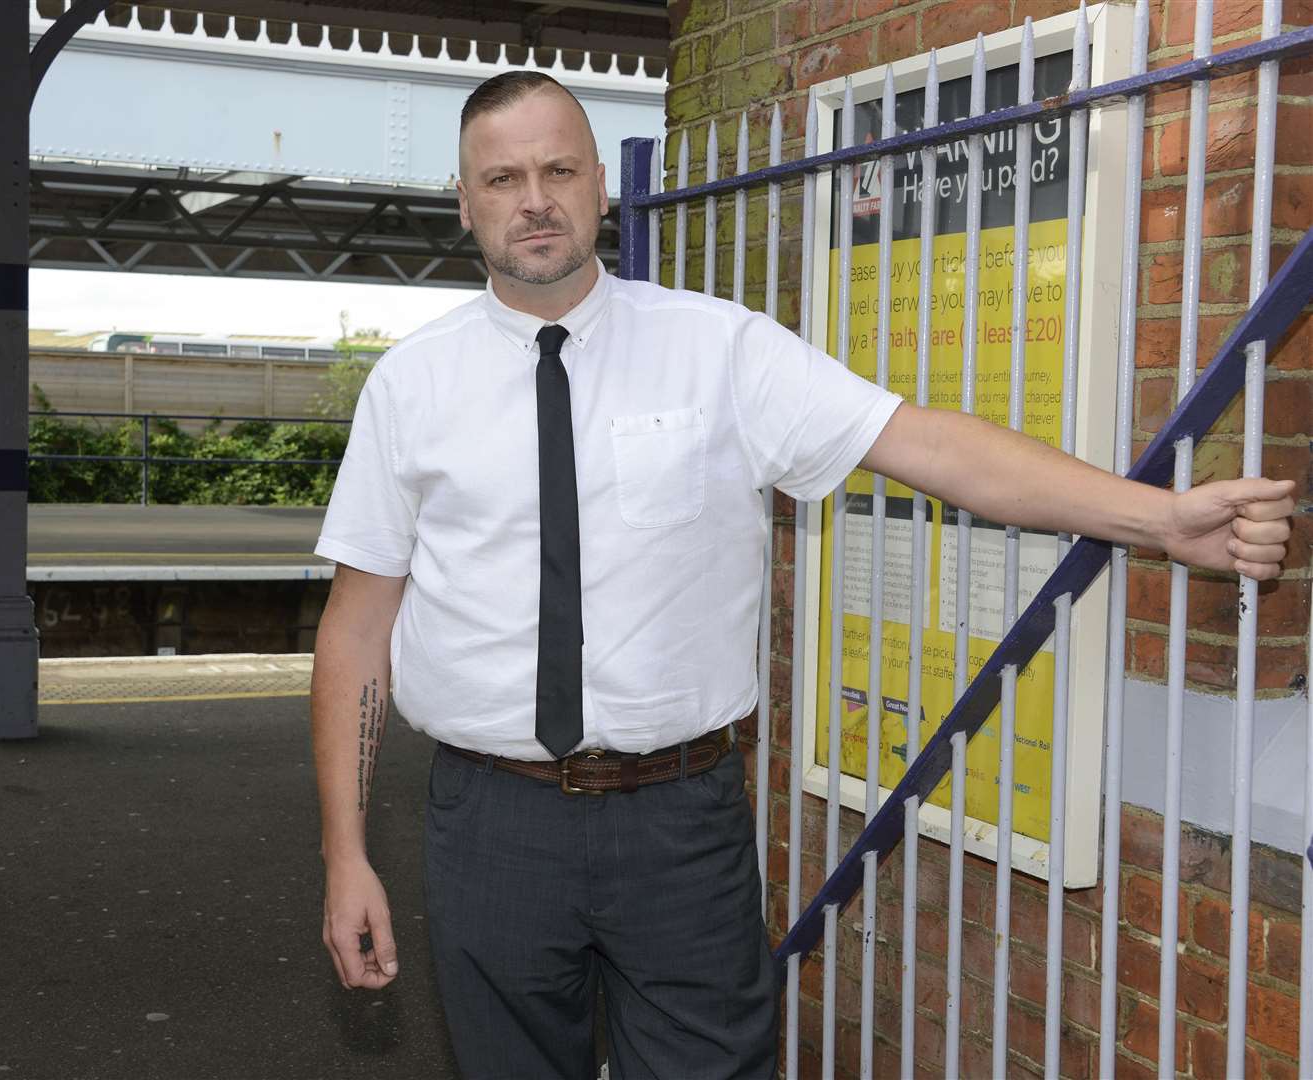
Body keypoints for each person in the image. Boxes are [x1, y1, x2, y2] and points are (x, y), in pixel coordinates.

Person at [308, 71, 1297, 1078]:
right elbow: (355, 632)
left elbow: (933, 448)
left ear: (601, 185)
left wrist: (1161, 520)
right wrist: (346, 857)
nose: (534, 199)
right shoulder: (411, 387)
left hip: (680, 819)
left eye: (559, 169)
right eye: (503, 176)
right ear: (464, 199)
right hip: (492, 822)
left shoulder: (718, 349)